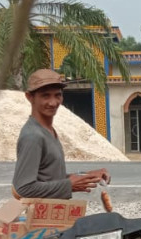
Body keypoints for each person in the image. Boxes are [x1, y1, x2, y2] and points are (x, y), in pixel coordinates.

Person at [11, 69, 109, 198]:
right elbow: (23, 188)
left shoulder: (48, 131)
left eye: (57, 95)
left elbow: (49, 178)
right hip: (41, 216)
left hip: (55, 213)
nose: (53, 103)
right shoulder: (33, 136)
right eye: (45, 96)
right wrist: (69, 185)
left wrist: (87, 176)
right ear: (30, 97)